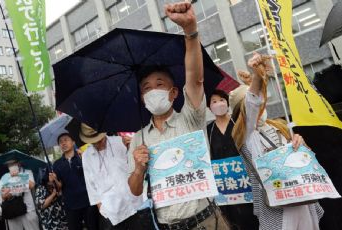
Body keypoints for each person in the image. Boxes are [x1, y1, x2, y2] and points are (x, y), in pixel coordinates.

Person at [127, 1, 230, 229]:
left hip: (207, 221)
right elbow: (134, 190)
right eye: (146, 88)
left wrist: (190, 32)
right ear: (142, 99)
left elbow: (195, 77)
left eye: (159, 84)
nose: (152, 91)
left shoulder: (190, 118)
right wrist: (138, 169)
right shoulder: (138, 140)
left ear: (174, 92)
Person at [230, 52, 324, 230]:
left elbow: (307, 160)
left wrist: (301, 144)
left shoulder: (279, 126)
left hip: (302, 198)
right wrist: (258, 76)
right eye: (256, 100)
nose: (260, 103)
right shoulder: (246, 136)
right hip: (279, 208)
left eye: (262, 99)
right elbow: (252, 102)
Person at [207, 89, 259, 230]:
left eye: (222, 100)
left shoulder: (238, 122)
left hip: (247, 182)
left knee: (254, 218)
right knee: (233, 221)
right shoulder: (207, 131)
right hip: (225, 188)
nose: (218, 104)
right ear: (209, 107)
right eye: (214, 101)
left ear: (228, 102)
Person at [80, 124, 143, 229]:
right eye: (94, 142)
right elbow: (91, 188)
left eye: (99, 140)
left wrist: (131, 148)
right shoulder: (86, 156)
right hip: (112, 213)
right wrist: (102, 210)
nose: (98, 143)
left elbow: (135, 168)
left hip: (134, 204)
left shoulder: (120, 142)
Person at [52, 133, 99, 230]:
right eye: (61, 142)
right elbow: (59, 187)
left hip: (88, 201)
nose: (63, 143)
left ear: (73, 142)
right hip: (71, 204)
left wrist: (85, 160)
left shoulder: (83, 156)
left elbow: (95, 175)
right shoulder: (57, 164)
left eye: (66, 140)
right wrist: (54, 180)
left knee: (93, 227)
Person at [0, 159, 40, 230]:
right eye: (9, 165)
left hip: (28, 209)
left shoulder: (27, 172)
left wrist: (18, 175)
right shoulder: (4, 177)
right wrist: (7, 195)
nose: (11, 166)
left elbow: (32, 185)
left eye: (13, 164)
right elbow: (1, 195)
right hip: (12, 211)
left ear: (19, 163)